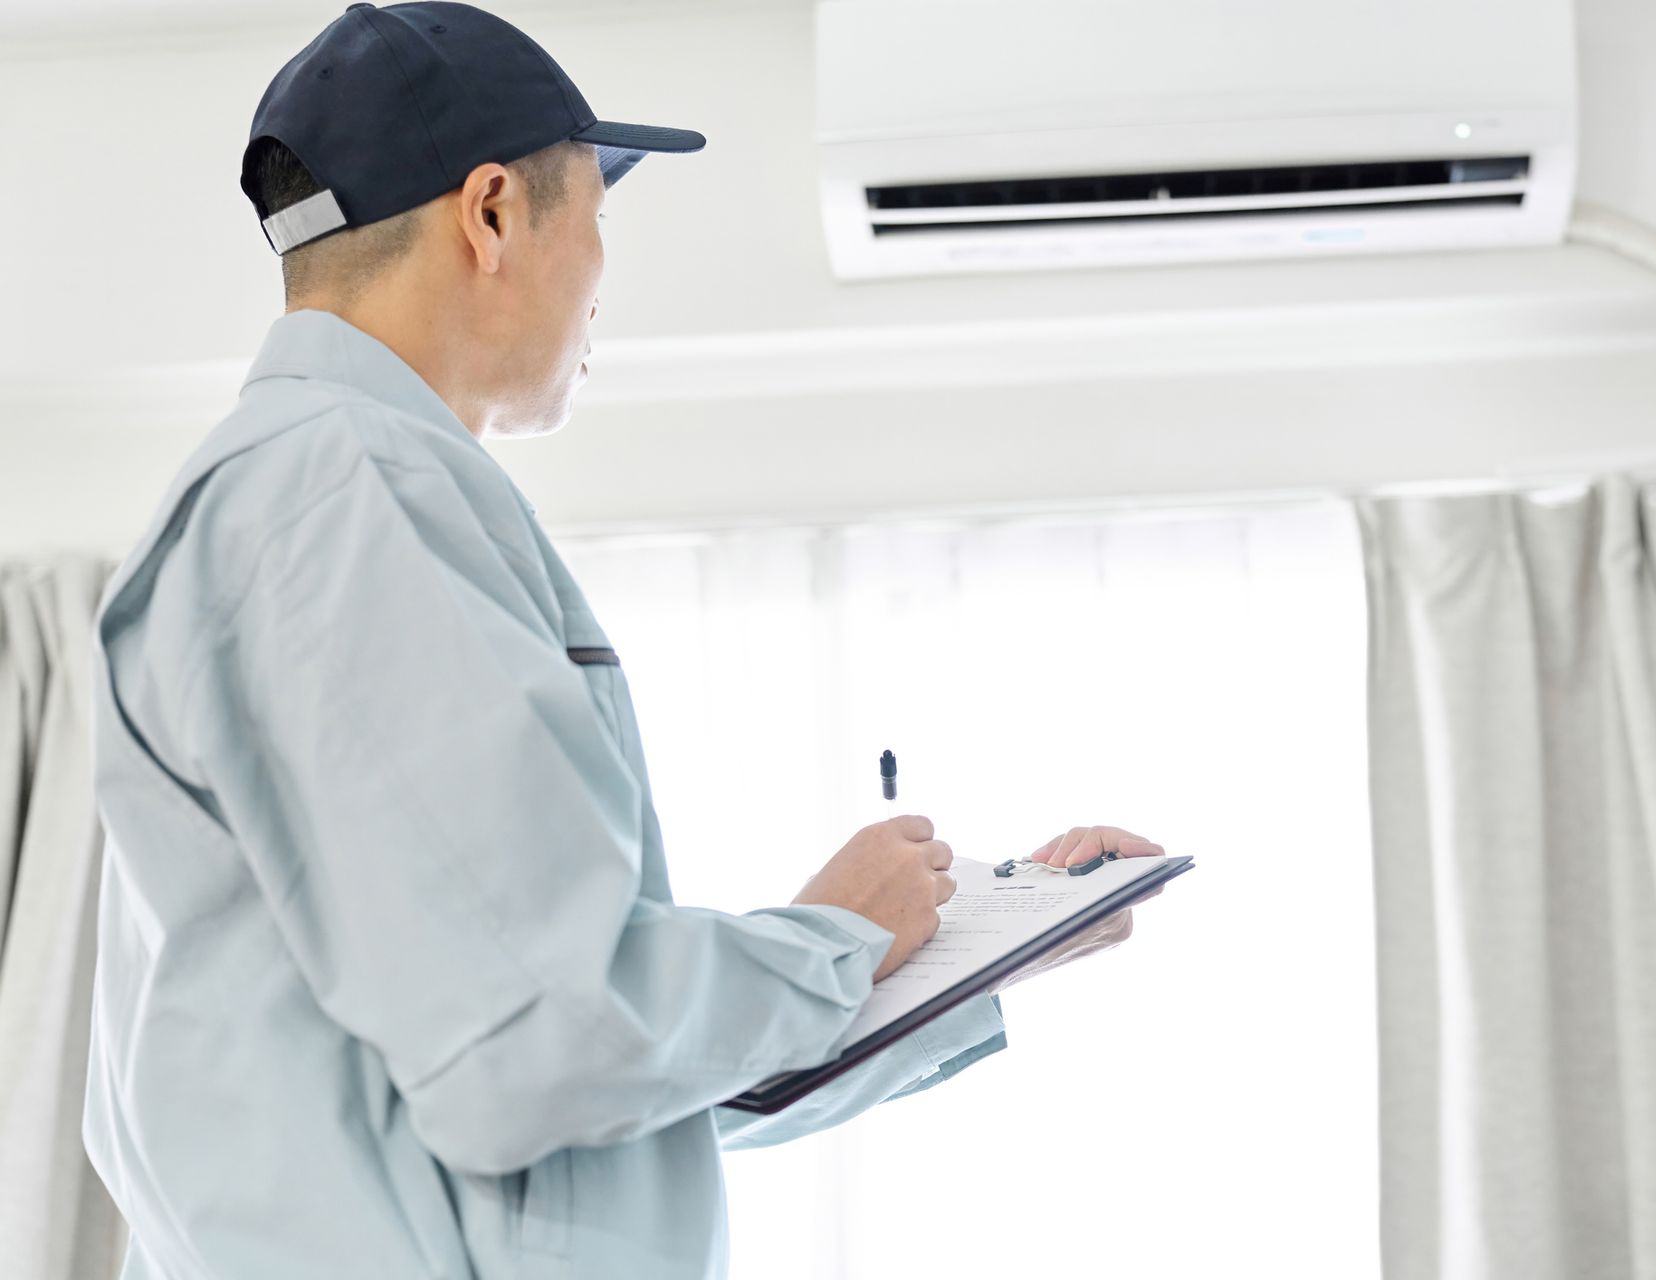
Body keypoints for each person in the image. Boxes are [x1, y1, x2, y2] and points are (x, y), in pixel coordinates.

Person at [81, 4, 1166, 1276]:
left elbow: (571, 1104)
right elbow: (538, 1048)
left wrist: (982, 944)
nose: (604, 270)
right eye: (600, 214)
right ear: (490, 214)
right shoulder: (347, 491)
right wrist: (835, 940)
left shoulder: (319, 494)